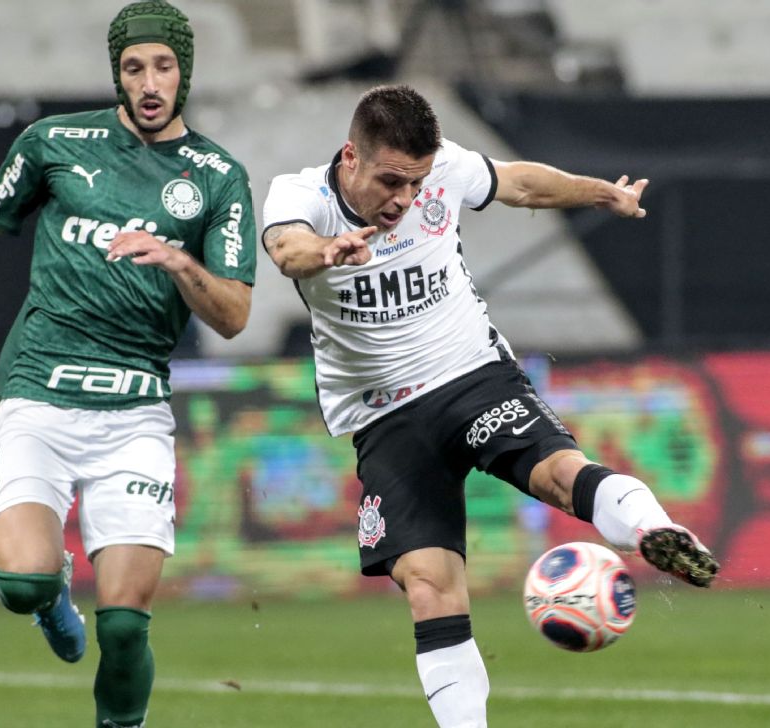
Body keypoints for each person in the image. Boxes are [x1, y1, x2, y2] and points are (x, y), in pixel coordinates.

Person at [261, 84, 719, 727]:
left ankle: (653, 532)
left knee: (560, 475)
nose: (403, 200)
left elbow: (519, 184)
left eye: (415, 185)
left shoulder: (443, 168)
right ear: (350, 157)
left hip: (471, 373)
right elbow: (286, 248)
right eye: (391, 181)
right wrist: (326, 250)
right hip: (385, 416)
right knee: (428, 585)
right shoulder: (300, 196)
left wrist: (601, 192)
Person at [0, 3, 255, 726]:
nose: (150, 81)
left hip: (133, 409)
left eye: (164, 65)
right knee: (20, 581)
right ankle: (50, 596)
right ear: (117, 73)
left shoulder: (218, 176)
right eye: (135, 67)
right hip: (39, 390)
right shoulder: (55, 143)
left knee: (127, 624)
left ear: (185, 70)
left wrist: (176, 259)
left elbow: (232, 315)